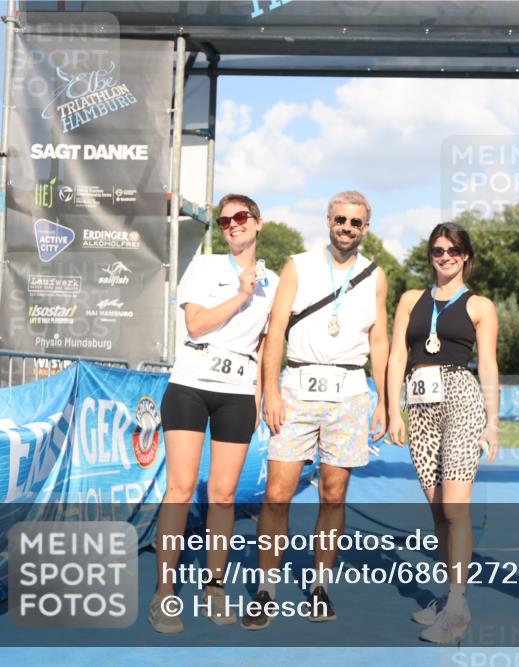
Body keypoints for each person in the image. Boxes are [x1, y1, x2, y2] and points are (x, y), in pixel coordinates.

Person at [242, 190, 389, 630]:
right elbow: (276, 330)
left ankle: (320, 585)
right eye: (340, 220)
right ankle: (266, 588)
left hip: (349, 392)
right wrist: (269, 390)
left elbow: (379, 340)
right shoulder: (299, 265)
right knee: (277, 493)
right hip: (298, 388)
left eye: (356, 223)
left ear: (366, 227)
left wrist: (384, 399)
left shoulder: (375, 275)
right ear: (328, 220)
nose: (347, 228)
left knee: (333, 493)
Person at [150, 193, 279, 634]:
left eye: (241, 217)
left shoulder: (276, 283)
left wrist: (263, 396)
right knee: (181, 490)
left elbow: (266, 345)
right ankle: (164, 595)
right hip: (190, 384)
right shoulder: (205, 267)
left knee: (223, 496)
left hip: (237, 392)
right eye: (225, 221)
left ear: (258, 223)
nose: (232, 225)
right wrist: (242, 295)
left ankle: (214, 588)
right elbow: (196, 325)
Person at [387, 222, 499, 644]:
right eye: (438, 250)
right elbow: (398, 352)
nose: (445, 257)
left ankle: (456, 607)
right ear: (430, 255)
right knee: (438, 510)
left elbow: (487, 364)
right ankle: (452, 593)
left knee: (455, 507)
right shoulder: (411, 300)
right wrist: (393, 408)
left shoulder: (480, 306)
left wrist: (492, 420)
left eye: (454, 250)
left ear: (466, 255)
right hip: (419, 405)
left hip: (461, 399)